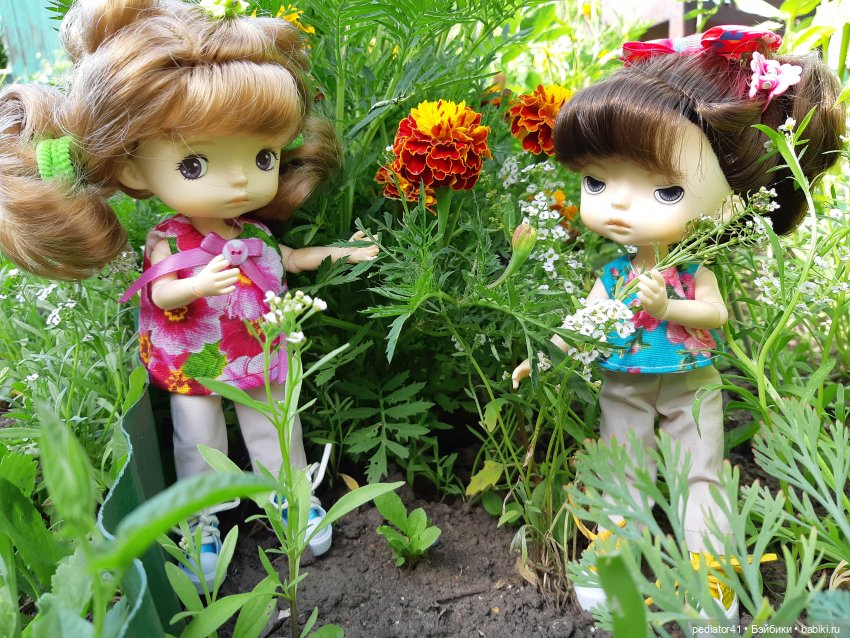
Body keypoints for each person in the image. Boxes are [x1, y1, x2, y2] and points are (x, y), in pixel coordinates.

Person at [0, 0, 377, 590]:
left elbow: (288, 259)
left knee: (276, 430)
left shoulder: (253, 231)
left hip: (259, 354)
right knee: (199, 442)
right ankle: (201, 521)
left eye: (262, 157)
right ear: (132, 170)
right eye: (196, 163)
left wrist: (343, 253)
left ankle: (291, 498)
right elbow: (164, 291)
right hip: (194, 361)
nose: (241, 179)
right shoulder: (168, 238)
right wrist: (198, 284)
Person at [512, 25, 844, 618]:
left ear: (732, 200)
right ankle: (615, 559)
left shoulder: (692, 271)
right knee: (622, 468)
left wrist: (668, 307)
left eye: (666, 191)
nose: (616, 203)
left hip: (693, 384)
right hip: (625, 381)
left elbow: (714, 314)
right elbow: (586, 319)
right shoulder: (617, 273)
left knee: (702, 475)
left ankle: (710, 572)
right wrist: (545, 355)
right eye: (596, 181)